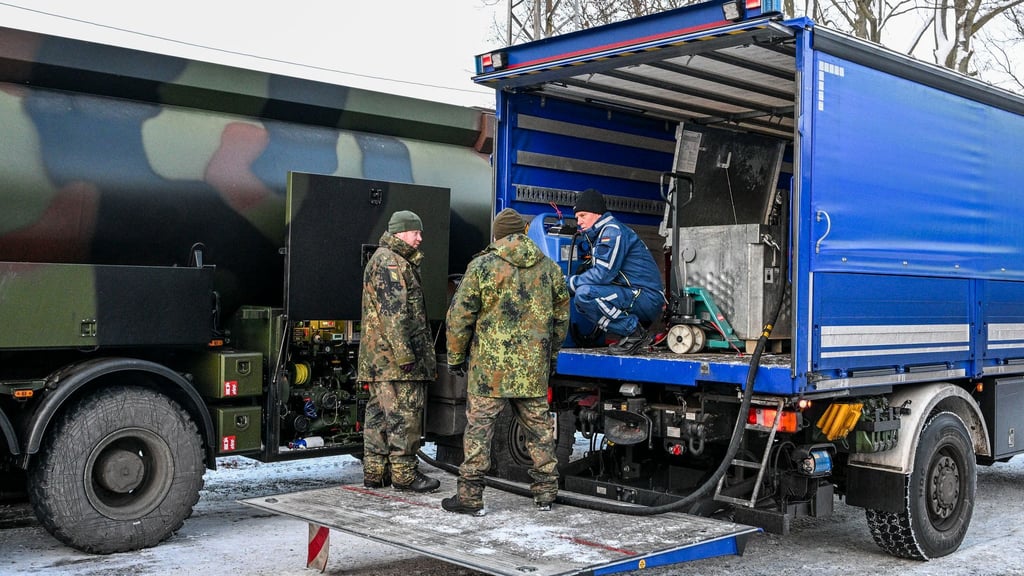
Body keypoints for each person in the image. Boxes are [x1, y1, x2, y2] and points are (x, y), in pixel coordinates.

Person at [441, 208, 570, 516]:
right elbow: (561, 318)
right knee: (539, 430)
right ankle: (546, 494)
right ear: (524, 234)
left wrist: (456, 356)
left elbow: (459, 316)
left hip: (490, 371)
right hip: (532, 369)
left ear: (497, 235)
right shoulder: (549, 269)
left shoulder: (482, 266)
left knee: (479, 432)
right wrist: (550, 358)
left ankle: (470, 497)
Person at [357, 210, 441, 493]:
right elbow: (394, 315)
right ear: (400, 233)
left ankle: (375, 472)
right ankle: (404, 475)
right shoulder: (391, 263)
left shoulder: (386, 260)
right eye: (415, 232)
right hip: (395, 361)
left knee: (380, 415)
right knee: (404, 415)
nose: (419, 238)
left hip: (382, 360)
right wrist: (406, 356)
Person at [569, 188, 665, 355]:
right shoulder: (601, 233)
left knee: (585, 294)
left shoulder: (612, 231)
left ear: (597, 212)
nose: (579, 221)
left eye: (583, 215)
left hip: (646, 297)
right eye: (577, 217)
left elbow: (603, 274)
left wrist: (569, 283)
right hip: (636, 294)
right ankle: (632, 332)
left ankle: (634, 333)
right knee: (582, 296)